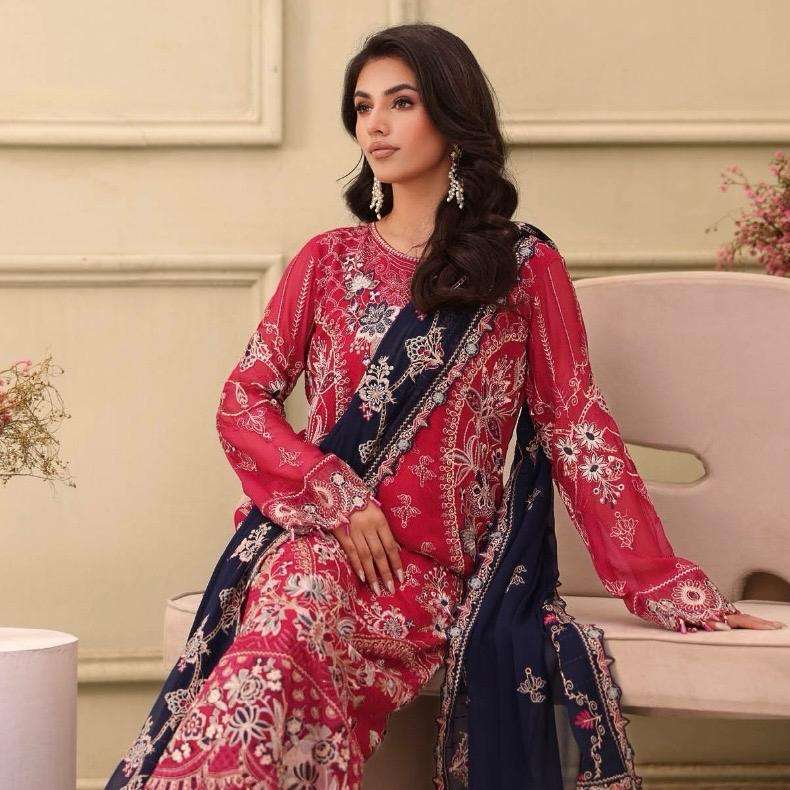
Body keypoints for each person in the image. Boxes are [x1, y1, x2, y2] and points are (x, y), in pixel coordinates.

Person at [105, 22, 783, 790]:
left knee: (290, 628)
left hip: (424, 571)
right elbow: (243, 402)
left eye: (401, 102)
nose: (376, 124)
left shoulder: (521, 268)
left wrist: (666, 586)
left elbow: (577, 430)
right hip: (313, 540)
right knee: (290, 614)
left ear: (453, 117)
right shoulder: (326, 262)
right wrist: (334, 492)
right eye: (363, 106)